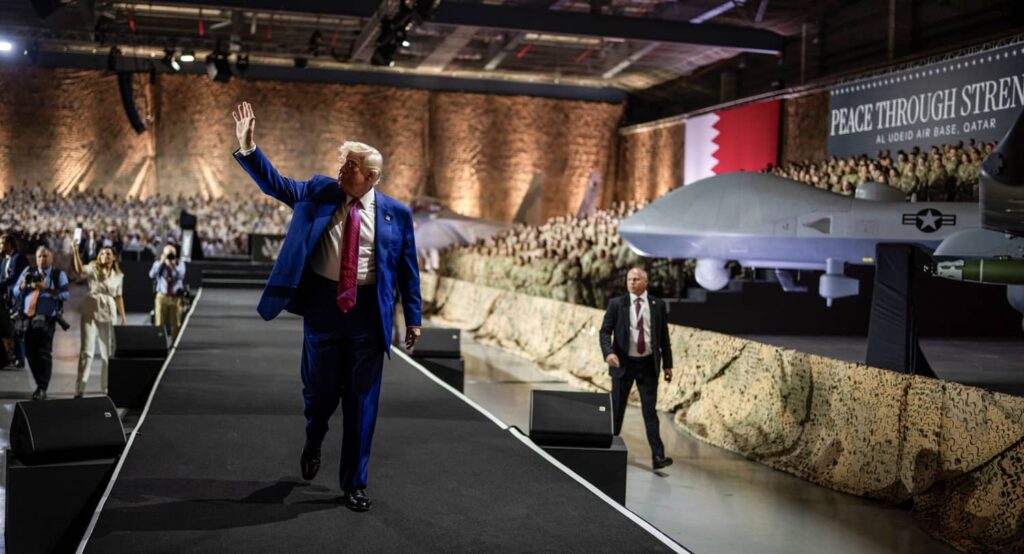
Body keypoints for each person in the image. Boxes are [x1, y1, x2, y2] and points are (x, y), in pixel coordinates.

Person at [231, 101, 422, 512]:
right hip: (323, 310)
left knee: (362, 403)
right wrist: (249, 148)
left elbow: (408, 270)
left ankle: (354, 483)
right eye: (341, 161)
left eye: (349, 164)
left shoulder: (397, 215)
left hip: (369, 317)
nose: (340, 168)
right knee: (319, 395)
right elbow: (278, 186)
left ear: (370, 176)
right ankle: (314, 435)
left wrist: (414, 318)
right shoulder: (319, 191)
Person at [599, 267, 674, 471]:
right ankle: (608, 448)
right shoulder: (617, 304)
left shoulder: (657, 305)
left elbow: (663, 338)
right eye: (629, 279)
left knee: (650, 412)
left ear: (646, 282)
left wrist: (668, 365)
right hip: (623, 364)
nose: (632, 282)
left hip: (648, 365)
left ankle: (658, 456)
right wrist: (608, 353)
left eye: (636, 279)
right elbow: (604, 332)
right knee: (617, 410)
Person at [13, 246, 70, 401]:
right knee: (30, 353)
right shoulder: (28, 271)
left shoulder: (58, 275)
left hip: (47, 319)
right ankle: (40, 383)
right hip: (27, 318)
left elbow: (65, 295)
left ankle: (42, 387)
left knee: (44, 353)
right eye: (39, 256)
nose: (42, 259)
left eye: (45, 256)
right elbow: (16, 291)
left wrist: (47, 289)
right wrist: (24, 286)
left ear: (51, 258)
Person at [71, 243, 127, 397]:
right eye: (102, 253)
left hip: (109, 312)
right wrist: (75, 250)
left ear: (114, 257)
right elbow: (79, 269)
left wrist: (123, 316)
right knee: (86, 351)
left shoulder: (119, 276)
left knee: (107, 352)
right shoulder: (93, 268)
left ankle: (106, 388)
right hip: (91, 309)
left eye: (108, 253)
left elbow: (119, 296)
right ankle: (80, 389)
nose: (104, 256)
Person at [0, 234, 29, 368]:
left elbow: (14, 278)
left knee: (18, 329)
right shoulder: (4, 260)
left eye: (2, 243)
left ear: (9, 244)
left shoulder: (19, 258)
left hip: (18, 298)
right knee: (10, 328)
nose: (0, 246)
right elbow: (2, 277)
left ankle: (21, 359)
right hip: (7, 298)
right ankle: (12, 357)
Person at [149, 244, 186, 340]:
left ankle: (175, 343)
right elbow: (151, 275)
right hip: (162, 296)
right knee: (159, 322)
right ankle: (159, 343)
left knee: (176, 323)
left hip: (175, 297)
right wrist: (161, 263)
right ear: (163, 254)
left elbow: (181, 276)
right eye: (168, 254)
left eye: (172, 254)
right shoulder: (158, 263)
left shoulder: (180, 264)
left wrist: (173, 266)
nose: (170, 256)